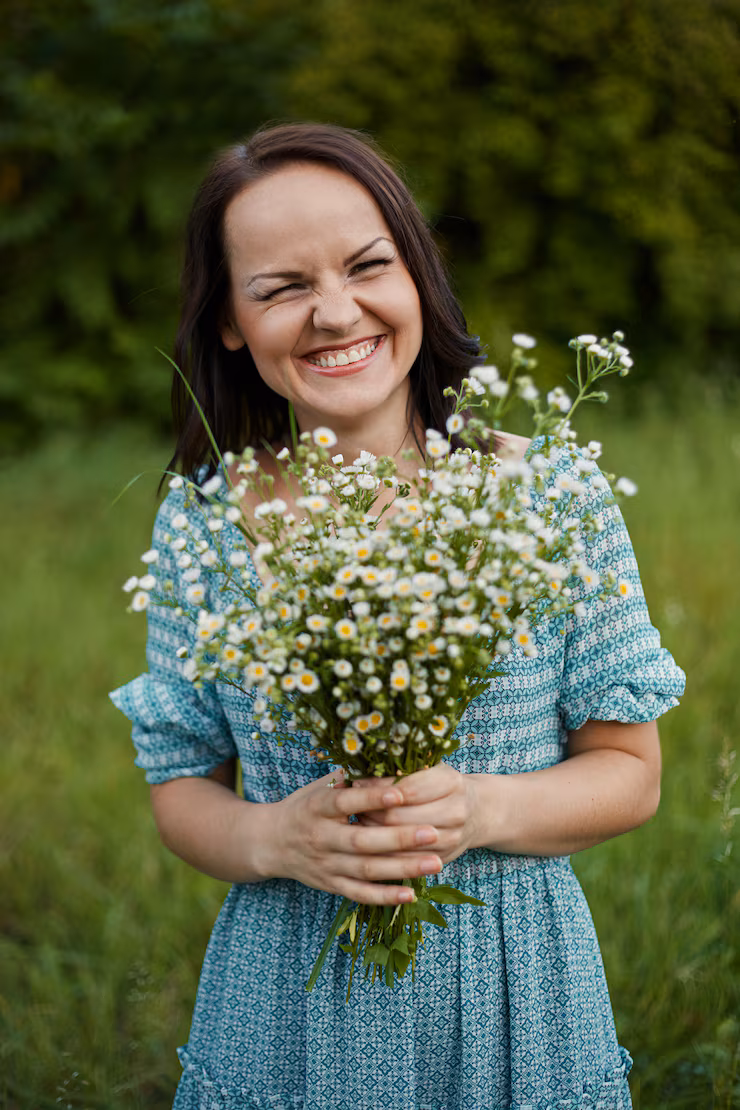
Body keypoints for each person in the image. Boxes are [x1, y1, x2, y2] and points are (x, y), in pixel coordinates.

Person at [111, 122, 685, 1110]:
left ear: (417, 274)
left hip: (516, 994)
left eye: (367, 265)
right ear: (230, 323)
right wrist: (277, 839)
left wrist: (482, 810)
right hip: (284, 1004)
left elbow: (630, 773)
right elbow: (182, 788)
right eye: (281, 288)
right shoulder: (205, 524)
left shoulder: (547, 493)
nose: (335, 313)